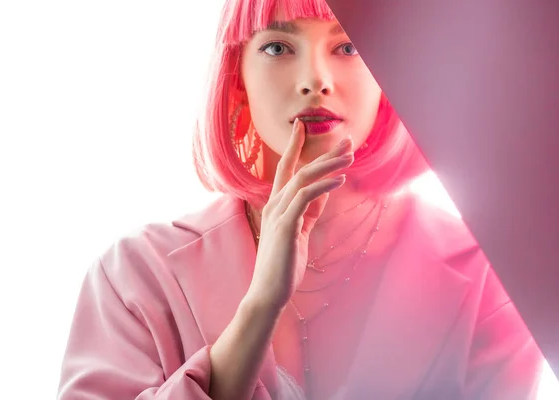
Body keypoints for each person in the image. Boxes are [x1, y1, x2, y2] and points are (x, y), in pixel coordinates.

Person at [57, 0, 544, 398]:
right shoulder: (135, 277)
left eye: (349, 46)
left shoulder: (488, 273)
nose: (316, 80)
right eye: (277, 47)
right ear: (236, 80)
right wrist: (259, 307)